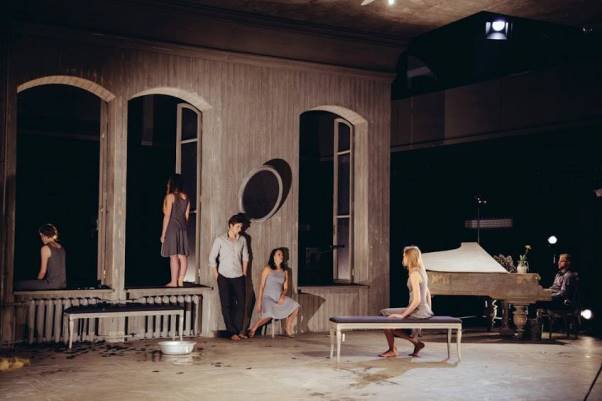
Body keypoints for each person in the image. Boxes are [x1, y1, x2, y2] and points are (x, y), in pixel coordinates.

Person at [379, 245, 433, 358]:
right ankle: (415, 343)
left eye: (404, 256)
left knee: (384, 315)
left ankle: (393, 349)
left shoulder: (414, 274)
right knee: (386, 315)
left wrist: (402, 315)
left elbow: (417, 300)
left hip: (418, 310)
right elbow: (427, 293)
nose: (403, 258)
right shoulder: (421, 271)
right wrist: (429, 310)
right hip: (423, 310)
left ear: (409, 257)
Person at [209, 214, 250, 341]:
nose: (240, 229)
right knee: (226, 304)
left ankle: (239, 330)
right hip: (224, 276)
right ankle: (232, 332)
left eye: (241, 227)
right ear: (230, 226)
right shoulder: (220, 240)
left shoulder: (243, 239)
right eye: (237, 226)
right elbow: (212, 258)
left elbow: (245, 257)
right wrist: (217, 275)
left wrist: (244, 273)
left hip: (238, 276)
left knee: (241, 304)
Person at [248, 248, 300, 338]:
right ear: (273, 257)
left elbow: (286, 288)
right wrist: (259, 302)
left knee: (296, 307)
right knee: (269, 314)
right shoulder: (267, 269)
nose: (281, 256)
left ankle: (288, 326)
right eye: (279, 254)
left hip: (278, 297)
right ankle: (254, 328)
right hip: (267, 298)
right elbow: (261, 286)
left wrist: (282, 296)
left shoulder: (285, 271)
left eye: (282, 255)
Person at [15, 224, 67, 290]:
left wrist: (37, 283)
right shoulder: (61, 248)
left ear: (46, 235)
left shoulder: (45, 248)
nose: (41, 239)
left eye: (42, 236)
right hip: (63, 284)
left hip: (52, 284)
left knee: (18, 284)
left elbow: (43, 272)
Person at [160, 174, 190, 287]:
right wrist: (183, 228)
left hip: (172, 228)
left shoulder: (170, 197)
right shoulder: (186, 197)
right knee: (183, 256)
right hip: (183, 228)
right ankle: (180, 280)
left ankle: (173, 282)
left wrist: (163, 234)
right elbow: (186, 216)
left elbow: (167, 216)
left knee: (173, 256)